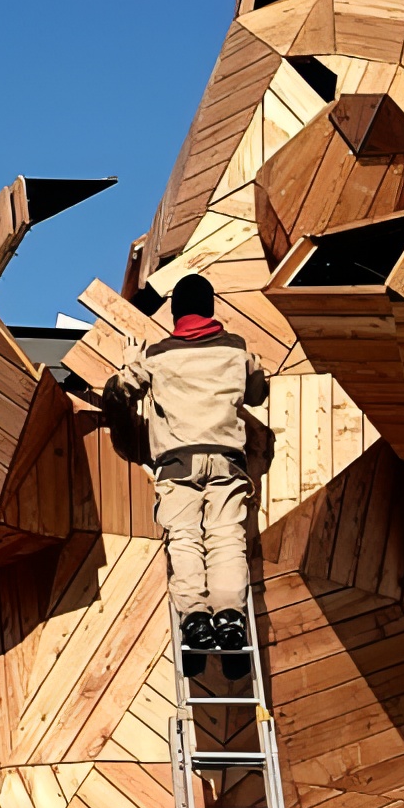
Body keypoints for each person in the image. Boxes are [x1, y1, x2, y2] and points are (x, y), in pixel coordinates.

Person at [101, 274, 268, 678]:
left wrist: (129, 367)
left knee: (185, 539)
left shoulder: (159, 357)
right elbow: (258, 393)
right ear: (210, 309)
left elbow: (118, 392)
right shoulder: (236, 351)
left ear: (176, 314)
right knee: (227, 539)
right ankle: (230, 617)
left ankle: (194, 618)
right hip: (227, 462)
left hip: (177, 464)